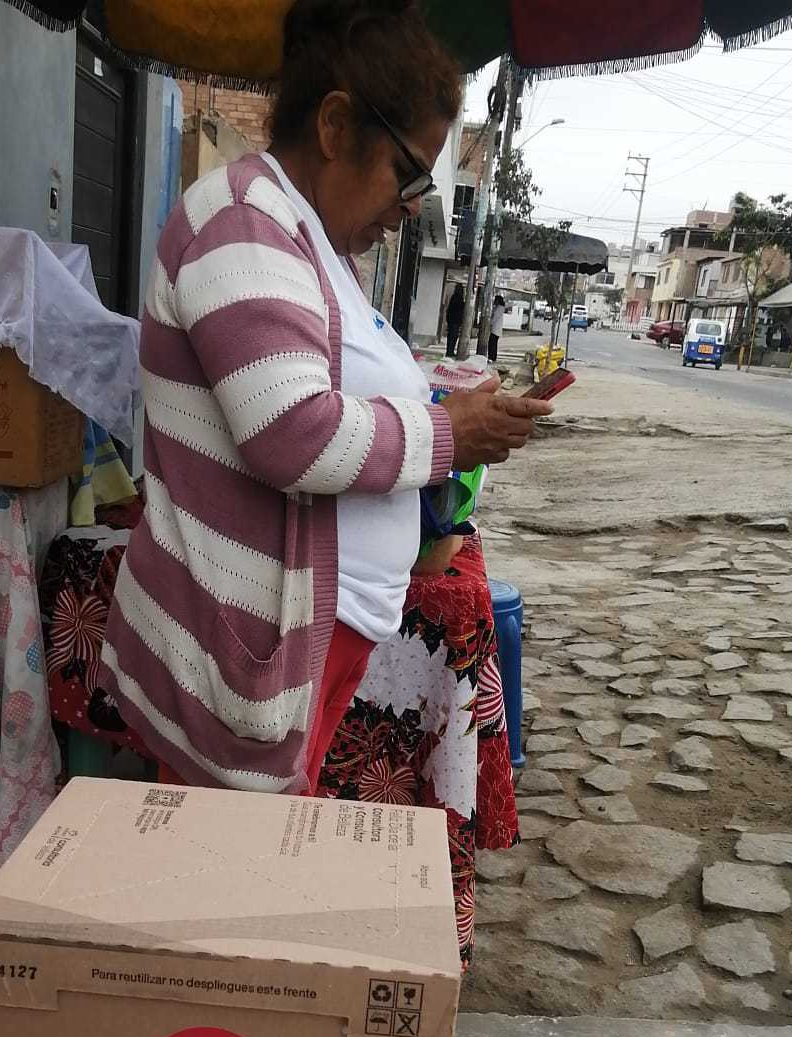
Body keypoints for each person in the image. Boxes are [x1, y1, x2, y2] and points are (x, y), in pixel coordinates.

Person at [99, 0, 552, 796]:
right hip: (244, 653)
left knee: (261, 853)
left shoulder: (307, 236)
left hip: (298, 641)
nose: (412, 205)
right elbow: (292, 431)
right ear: (337, 126)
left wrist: (447, 406)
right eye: (410, 172)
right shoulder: (243, 221)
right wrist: (447, 434)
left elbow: (328, 386)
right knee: (229, 861)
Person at [445, 282, 464, 358]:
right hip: (455, 321)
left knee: (451, 336)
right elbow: (459, 309)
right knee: (453, 336)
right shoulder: (459, 298)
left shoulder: (454, 297)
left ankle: (449, 351)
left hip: (452, 320)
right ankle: (450, 351)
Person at [488, 294, 505, 364]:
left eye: (495, 300)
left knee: (492, 343)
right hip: (496, 329)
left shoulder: (499, 308)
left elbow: (495, 317)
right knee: (493, 343)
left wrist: (490, 323)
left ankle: (492, 357)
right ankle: (492, 356)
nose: (494, 301)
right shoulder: (498, 307)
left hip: (496, 329)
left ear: (498, 301)